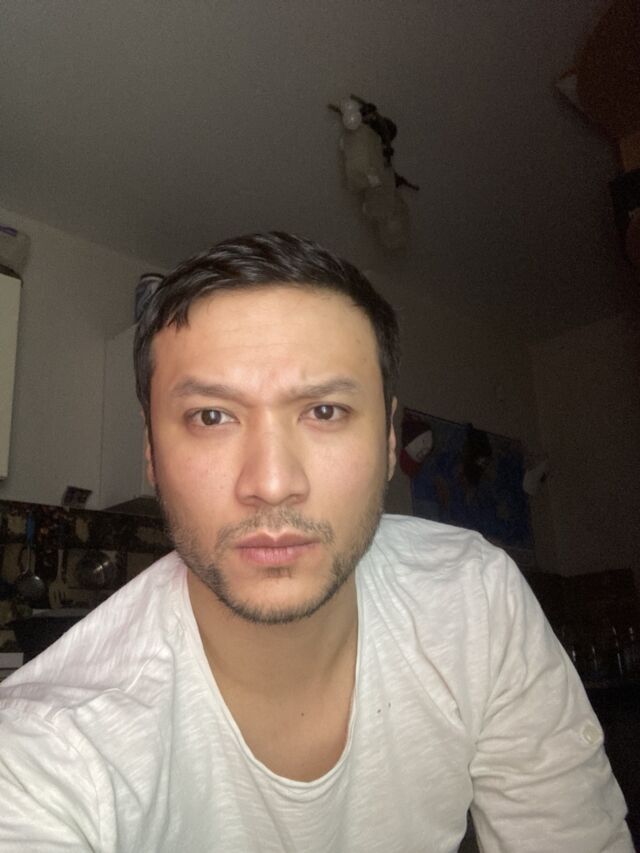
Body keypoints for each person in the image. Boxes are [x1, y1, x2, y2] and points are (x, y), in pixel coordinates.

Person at [0, 232, 632, 852]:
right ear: (151, 453)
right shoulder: (45, 752)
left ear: (389, 439)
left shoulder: (474, 598)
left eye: (324, 411)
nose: (272, 484)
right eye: (212, 416)